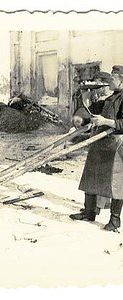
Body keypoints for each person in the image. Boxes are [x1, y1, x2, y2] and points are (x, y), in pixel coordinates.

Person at [69, 65, 123, 232]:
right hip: (100, 143)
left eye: (113, 78)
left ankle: (114, 221)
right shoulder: (111, 98)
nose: (109, 81)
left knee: (116, 183)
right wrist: (81, 116)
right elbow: (92, 112)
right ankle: (89, 212)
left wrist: (106, 122)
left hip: (116, 145)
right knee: (91, 176)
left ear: (121, 80)